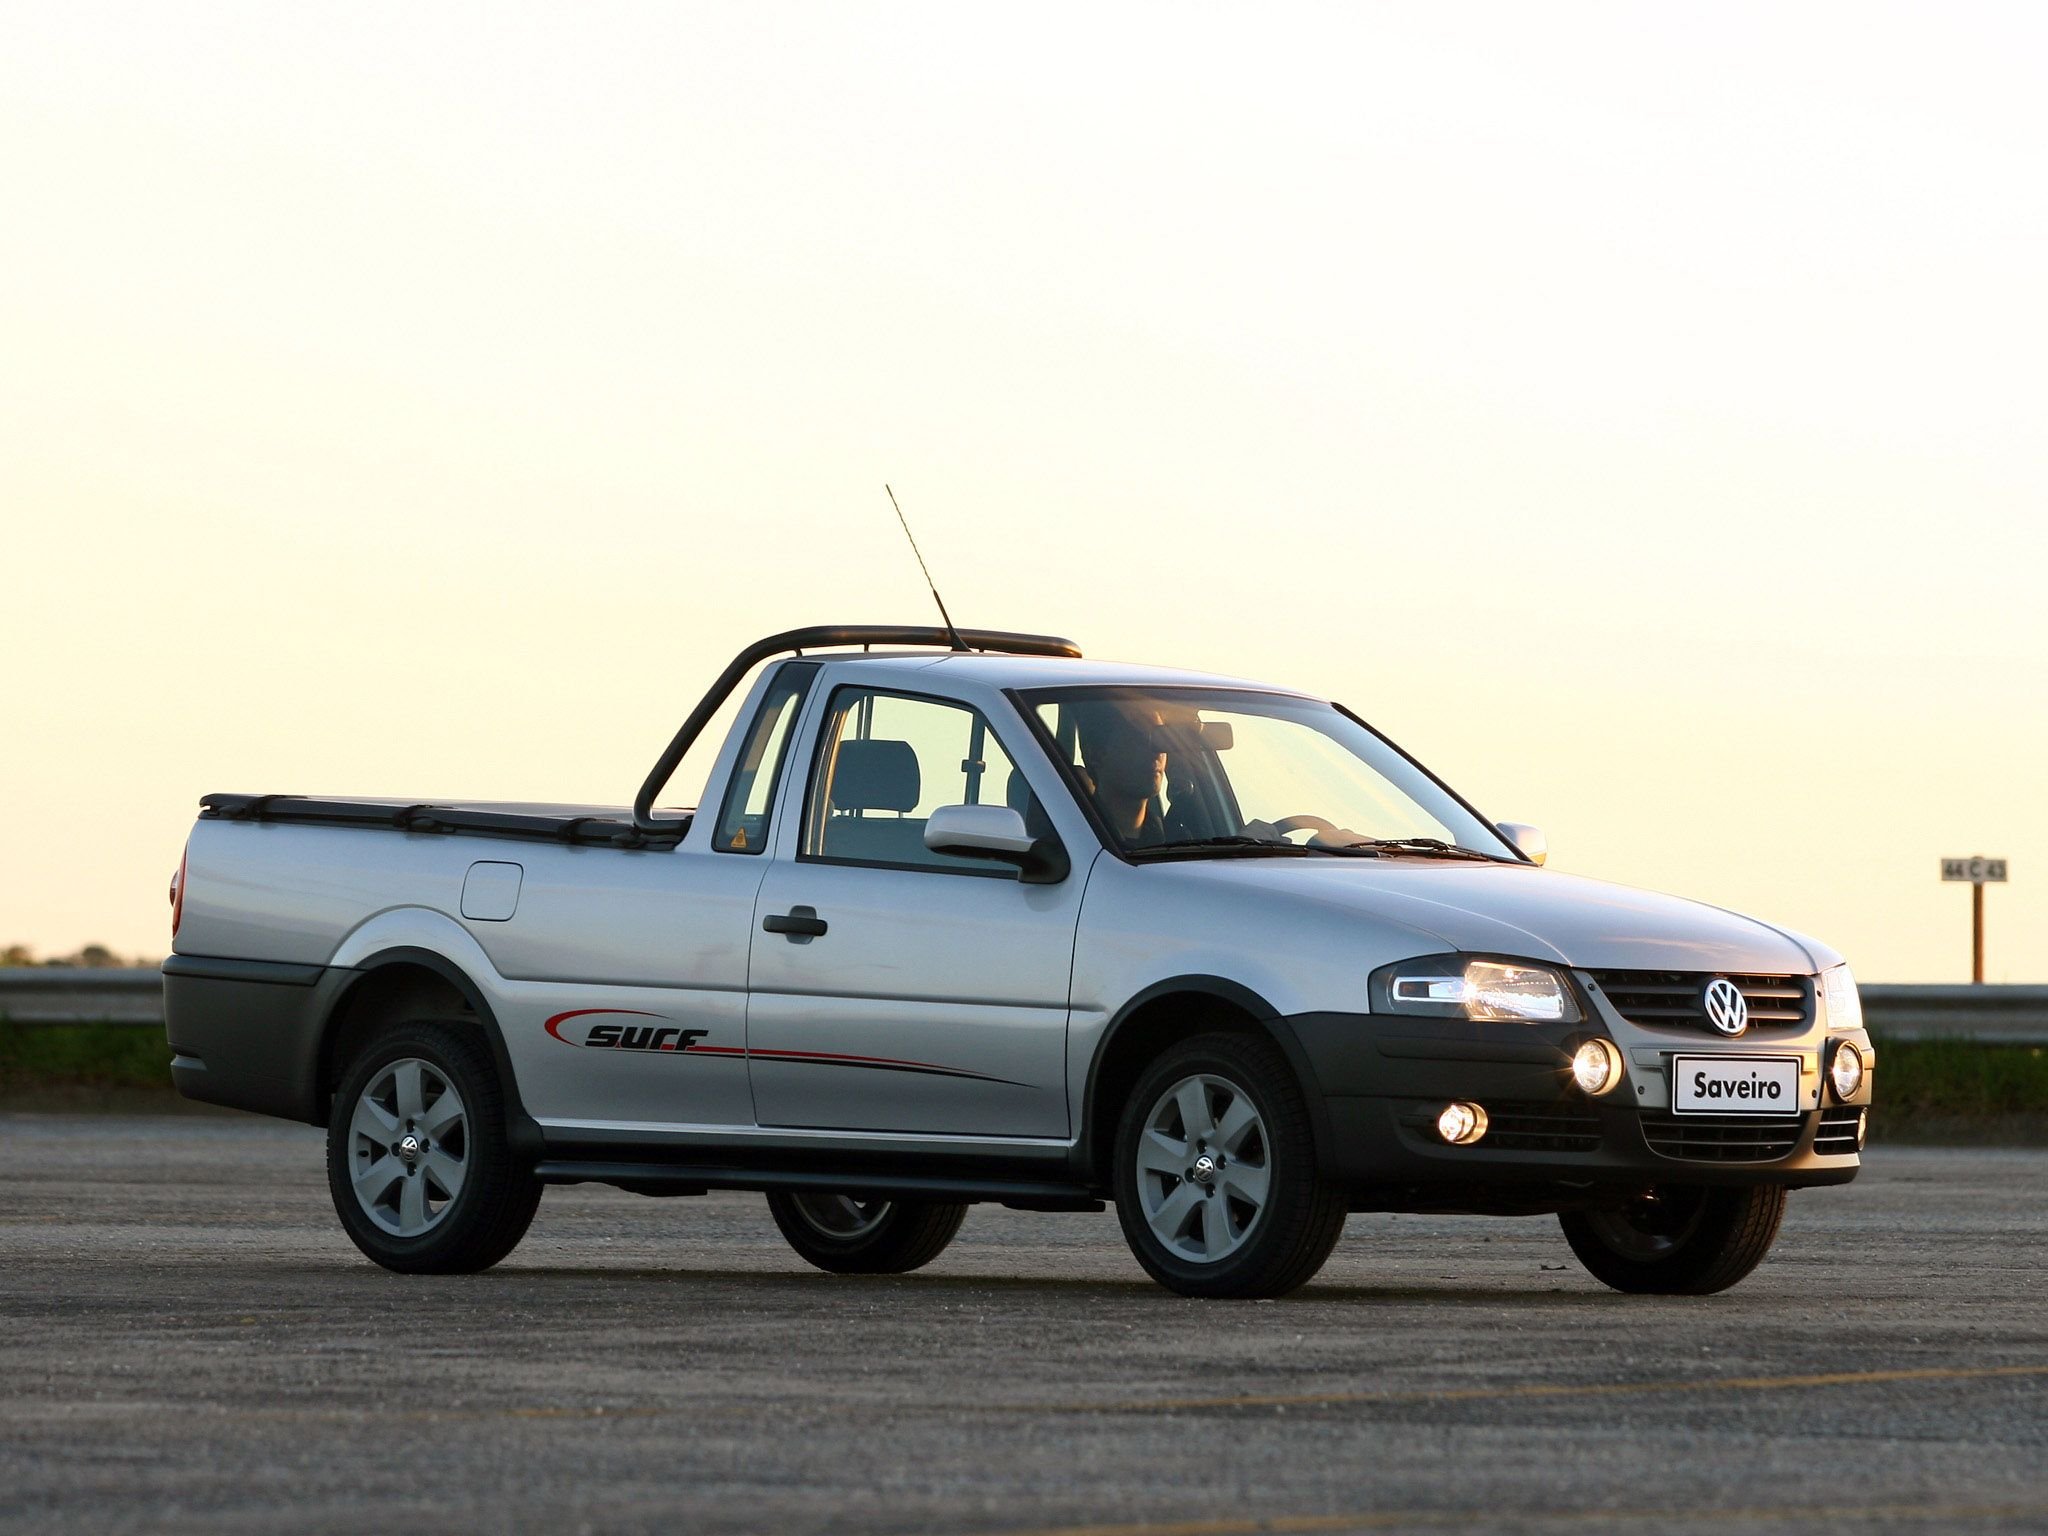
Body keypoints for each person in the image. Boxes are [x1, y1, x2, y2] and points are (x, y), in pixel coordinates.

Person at [1078, 706, 1170, 847]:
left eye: (1161, 738)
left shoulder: (1177, 842)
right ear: (1095, 756)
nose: (1157, 751)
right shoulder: (1073, 849)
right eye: (1140, 738)